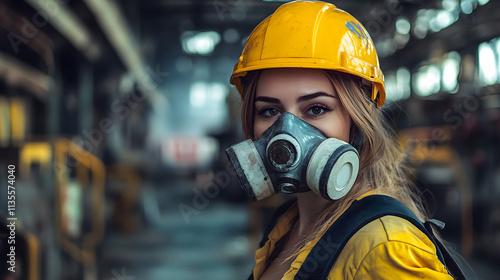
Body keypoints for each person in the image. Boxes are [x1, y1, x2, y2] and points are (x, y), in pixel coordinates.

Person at [226, 1, 461, 279]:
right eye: (269, 111)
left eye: (316, 108)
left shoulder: (385, 247)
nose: (286, 134)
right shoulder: (288, 223)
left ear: (358, 122)